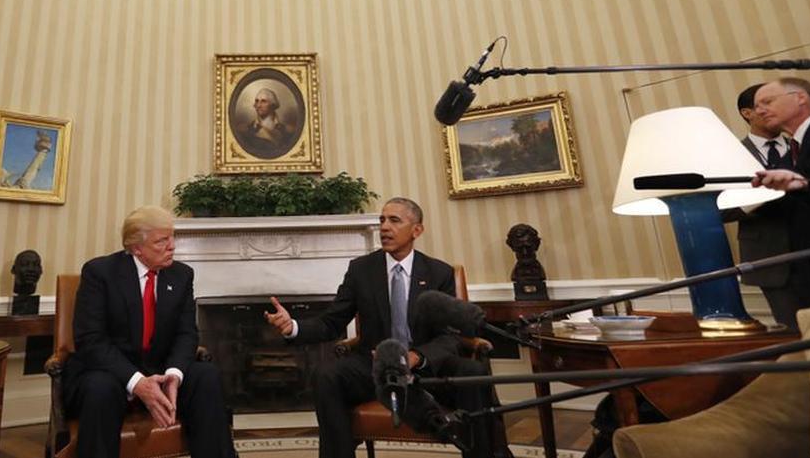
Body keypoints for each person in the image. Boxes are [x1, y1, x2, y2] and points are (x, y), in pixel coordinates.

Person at [264, 198, 505, 458]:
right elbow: (332, 322)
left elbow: (451, 336)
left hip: (426, 365)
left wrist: (417, 358)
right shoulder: (361, 270)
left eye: (394, 220)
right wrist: (293, 327)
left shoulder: (438, 272)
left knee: (474, 372)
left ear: (417, 230)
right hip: (374, 365)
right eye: (382, 220)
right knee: (327, 376)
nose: (385, 227)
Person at [61, 206, 235, 458]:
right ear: (136, 248)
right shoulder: (100, 273)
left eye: (172, 237)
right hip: (111, 372)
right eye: (162, 241)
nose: (172, 246)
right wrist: (138, 382)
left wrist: (174, 375)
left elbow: (186, 334)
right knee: (99, 388)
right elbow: (90, 340)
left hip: (161, 369)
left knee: (205, 376)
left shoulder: (182, 274)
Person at [752, 77, 810, 308]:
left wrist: (807, 186)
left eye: (767, 101)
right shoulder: (789, 156)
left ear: (800, 98)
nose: (759, 111)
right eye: (757, 106)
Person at [728, 84, 800, 327]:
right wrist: (760, 196)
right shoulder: (730, 154)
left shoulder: (803, 145)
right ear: (747, 113)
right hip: (769, 258)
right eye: (768, 104)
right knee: (794, 333)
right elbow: (720, 210)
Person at [235, 87, 296, 159]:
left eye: (263, 101)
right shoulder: (244, 130)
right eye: (257, 101)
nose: (258, 105)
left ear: (273, 105)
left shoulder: (288, 131)